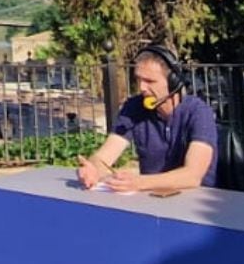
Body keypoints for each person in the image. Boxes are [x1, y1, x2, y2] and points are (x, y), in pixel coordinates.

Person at [76, 45, 217, 194]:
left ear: (173, 82)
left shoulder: (199, 112)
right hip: (150, 199)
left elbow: (193, 176)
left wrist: (139, 182)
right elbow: (104, 156)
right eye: (139, 79)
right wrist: (93, 169)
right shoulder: (134, 107)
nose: (142, 87)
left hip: (197, 200)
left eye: (150, 81)